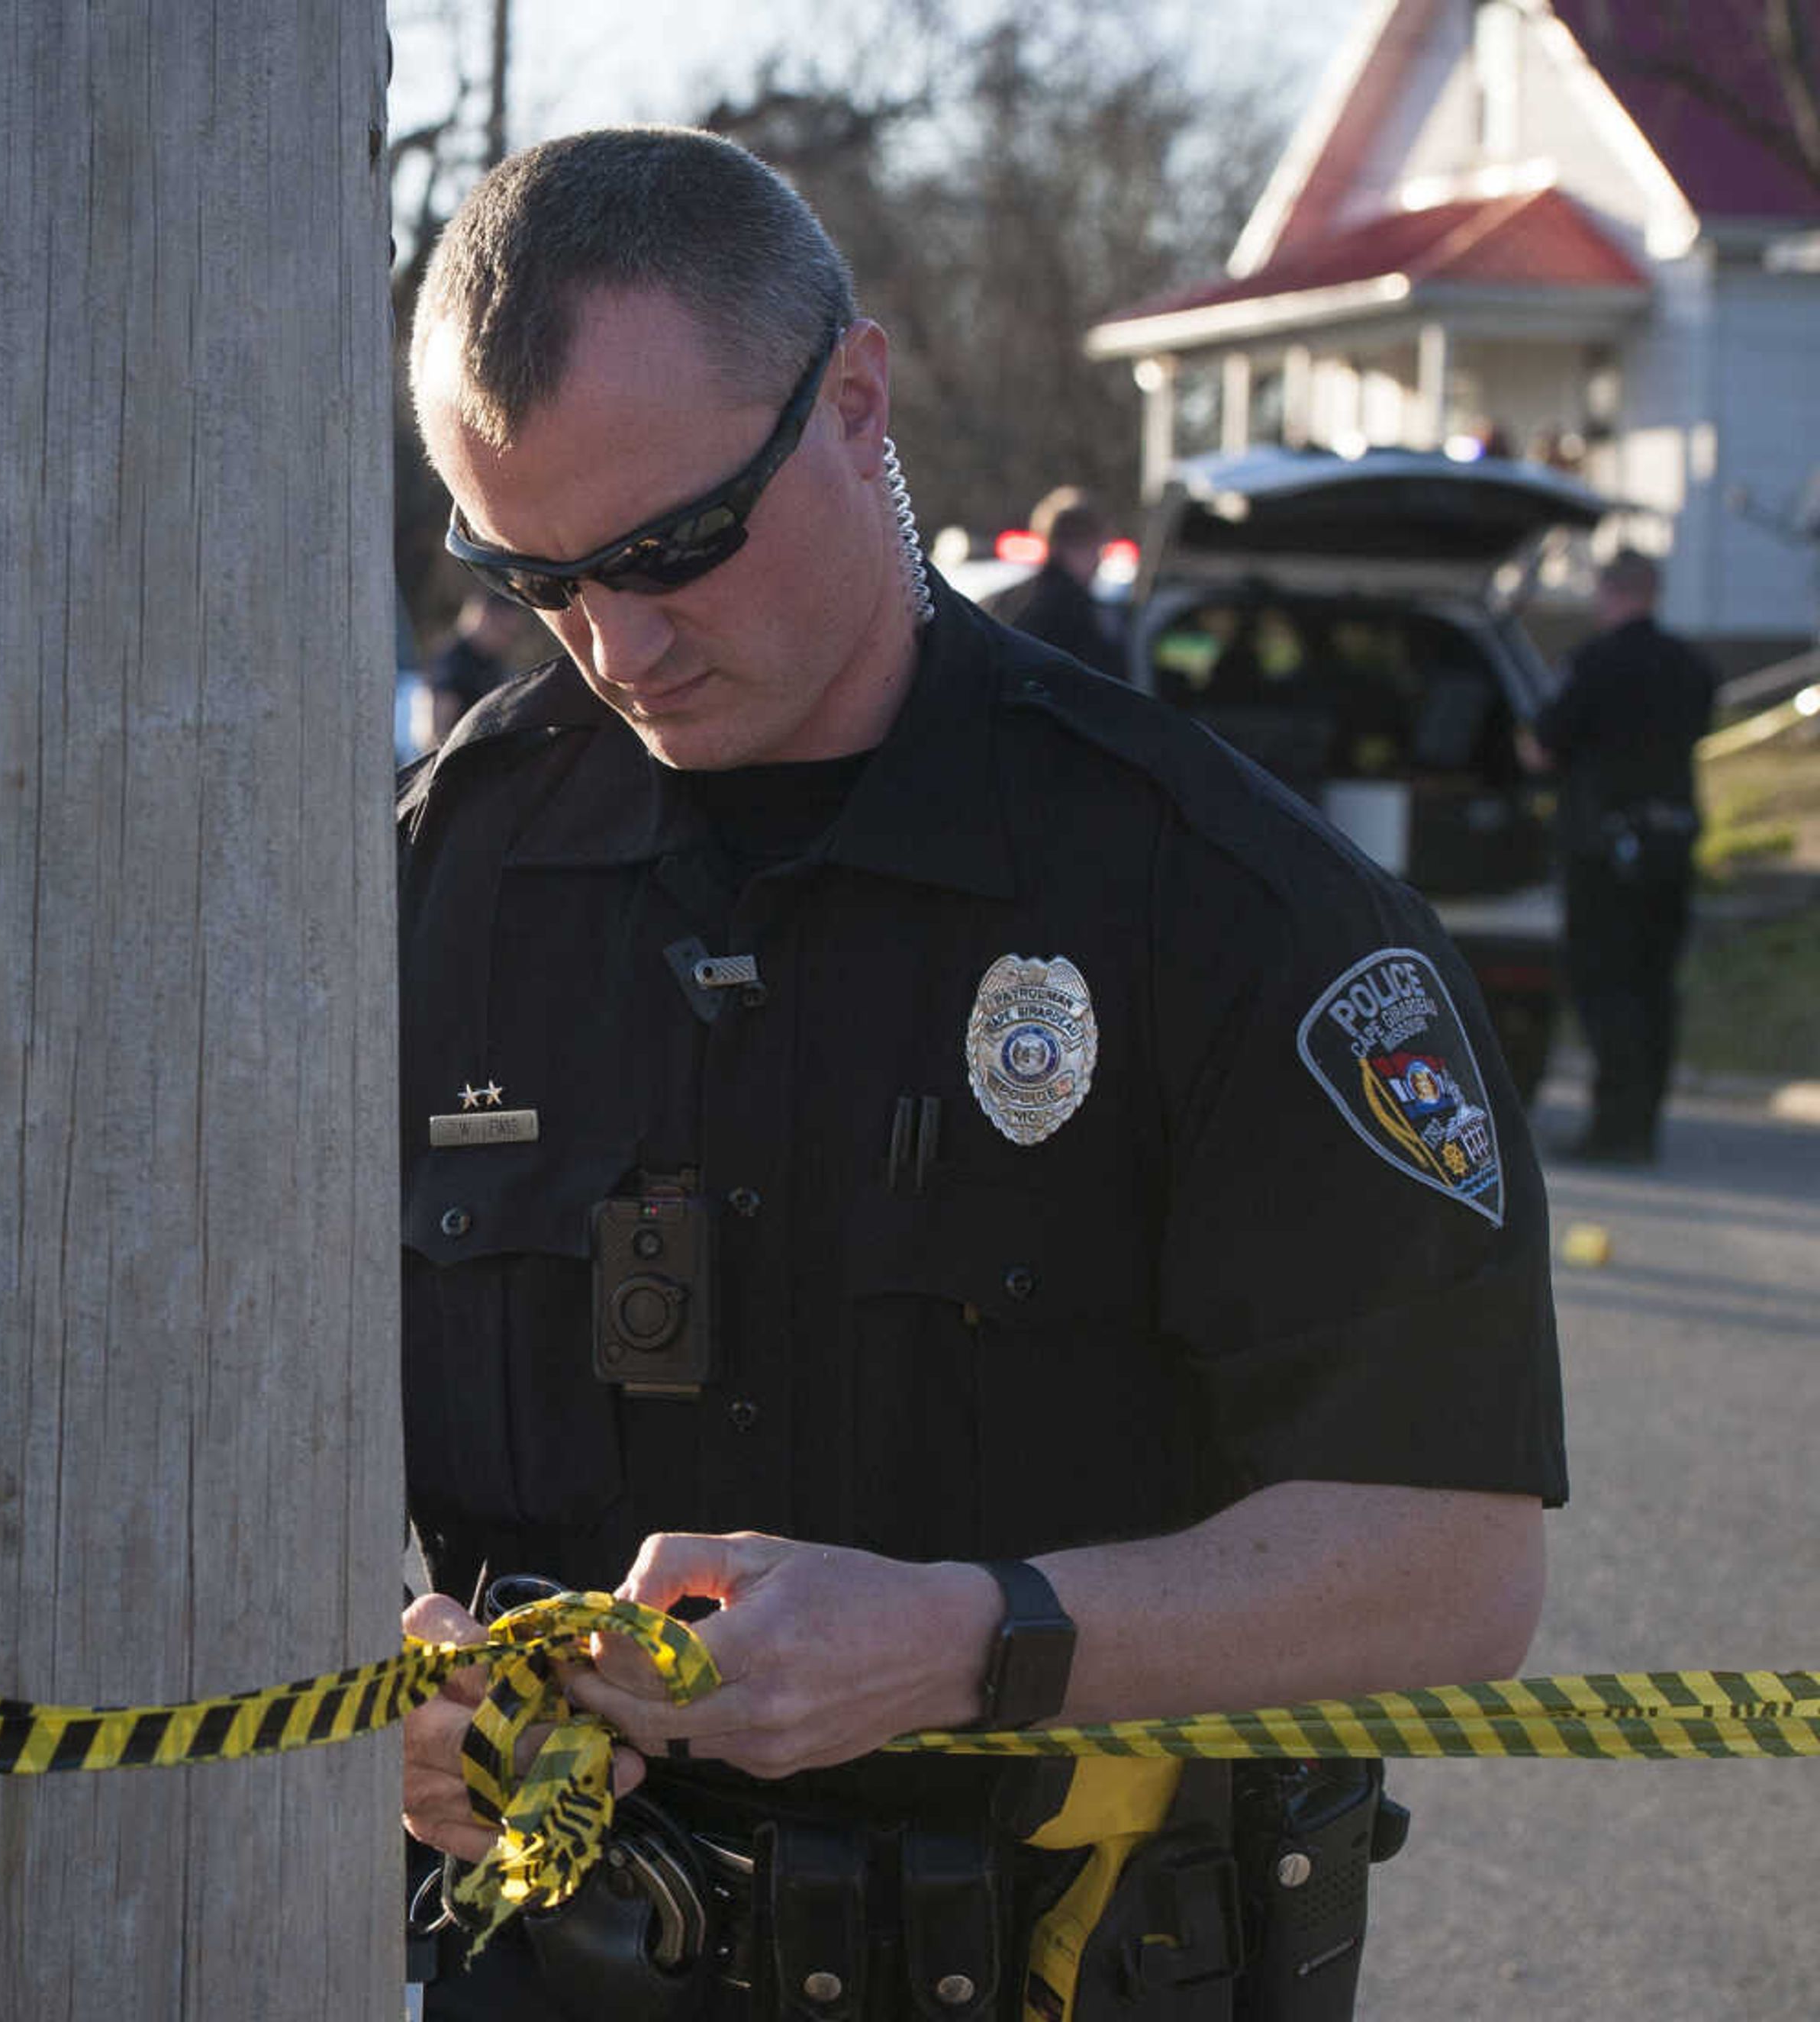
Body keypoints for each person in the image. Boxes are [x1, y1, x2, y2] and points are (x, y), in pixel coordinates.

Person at [396, 128, 1564, 2020]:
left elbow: (1449, 1563)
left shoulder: (1224, 907)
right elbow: (226, 1434)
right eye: (533, 575)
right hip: (553, 1962)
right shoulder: (421, 890)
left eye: (673, 545)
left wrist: (971, 1638)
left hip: (1054, 1959)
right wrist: (375, 1675)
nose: (618, 643)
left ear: (853, 399)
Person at [1517, 549, 1719, 1164]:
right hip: (1671, 847)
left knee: (1606, 988)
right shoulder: (1693, 667)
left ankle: (1613, 1131)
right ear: (1654, 591)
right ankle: (1643, 1124)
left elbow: (1542, 750)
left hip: (1605, 853)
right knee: (1655, 989)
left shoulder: (1595, 664)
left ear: (1609, 593)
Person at [988, 486, 1124, 679]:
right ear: (1081, 545)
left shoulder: (1008, 600)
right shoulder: (1075, 611)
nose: (1100, 561)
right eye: (1098, 548)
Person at [424, 588, 543, 742]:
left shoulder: (491, 661)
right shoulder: (454, 663)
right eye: (504, 631)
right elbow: (439, 724)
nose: (507, 641)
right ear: (485, 618)